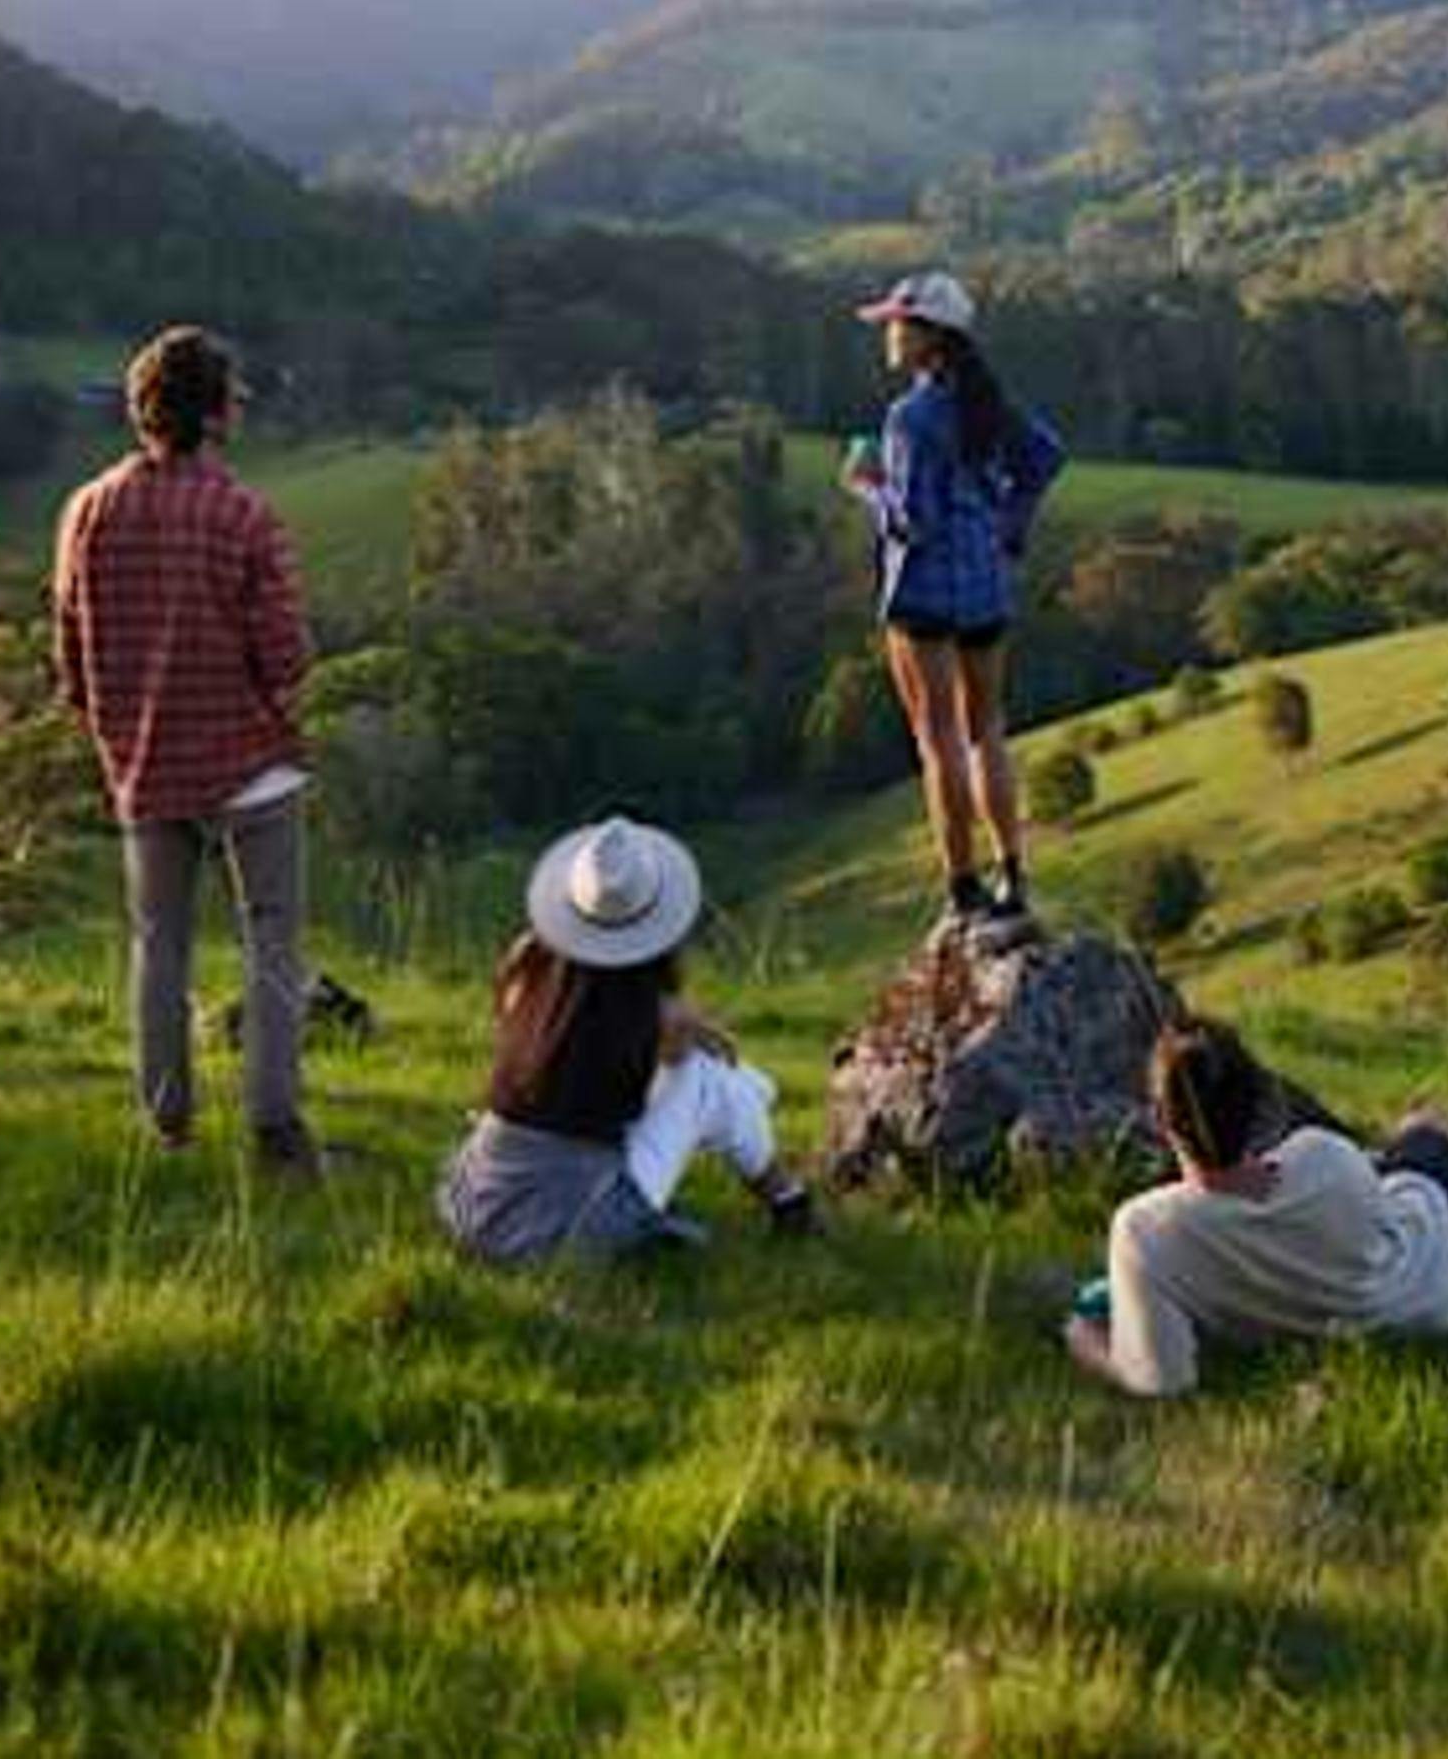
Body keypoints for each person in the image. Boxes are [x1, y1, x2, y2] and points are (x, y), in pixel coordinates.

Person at [51, 325, 327, 1178]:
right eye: (234, 396)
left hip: (144, 759)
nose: (240, 408)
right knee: (272, 940)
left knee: (158, 943)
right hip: (250, 762)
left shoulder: (87, 511)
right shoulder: (245, 514)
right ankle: (275, 1131)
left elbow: (69, 651)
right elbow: (285, 657)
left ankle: (166, 1124)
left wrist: (119, 725)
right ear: (214, 412)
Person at [438, 817, 818, 1263]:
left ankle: (775, 1161)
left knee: (719, 1082)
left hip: (477, 1199)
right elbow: (717, 1053)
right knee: (708, 1077)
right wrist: (743, 1083)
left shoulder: (529, 967)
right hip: (565, 1223)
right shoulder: (650, 1014)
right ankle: (789, 1201)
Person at [1065, 1019, 1448, 1399]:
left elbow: (1160, 1382)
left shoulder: (1146, 1231)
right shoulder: (1323, 1153)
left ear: (1160, 1120)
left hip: (1349, 1316)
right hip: (1428, 1299)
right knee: (1430, 1125)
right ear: (1259, 1102)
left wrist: (1085, 1339)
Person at [844, 271, 1066, 941]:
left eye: (897, 322)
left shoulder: (908, 418)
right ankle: (1012, 876)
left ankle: (962, 891)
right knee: (986, 732)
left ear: (926, 336)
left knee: (937, 741)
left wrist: (865, 486)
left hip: (923, 593)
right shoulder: (992, 404)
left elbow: (912, 521)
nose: (888, 332)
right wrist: (1009, 525)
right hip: (986, 586)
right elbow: (1046, 458)